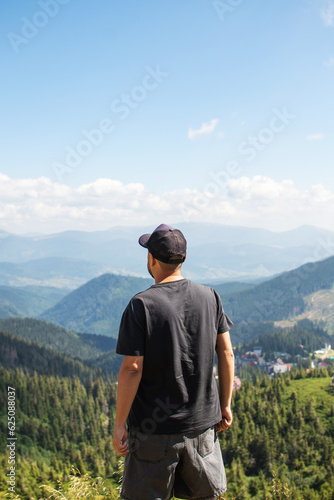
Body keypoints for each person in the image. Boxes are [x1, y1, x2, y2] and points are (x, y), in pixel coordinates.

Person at [113, 223, 234, 500]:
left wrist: (120, 424)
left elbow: (132, 368)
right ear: (183, 259)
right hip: (202, 427)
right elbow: (226, 353)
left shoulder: (141, 304)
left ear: (151, 259)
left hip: (152, 433)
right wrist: (225, 405)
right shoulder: (210, 297)